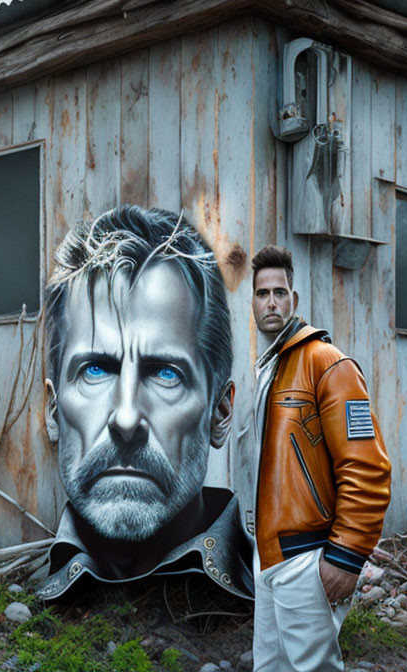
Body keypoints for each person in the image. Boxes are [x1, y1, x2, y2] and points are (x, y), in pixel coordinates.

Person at [38, 205, 252, 600]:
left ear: (220, 412)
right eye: (96, 370)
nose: (125, 417)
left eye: (166, 374)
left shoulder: (275, 587)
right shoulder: (26, 596)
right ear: (53, 411)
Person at [249, 246, 391, 672]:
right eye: (261, 294)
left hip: (307, 559)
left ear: (294, 299)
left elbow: (366, 466)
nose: (270, 302)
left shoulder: (326, 363)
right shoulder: (269, 370)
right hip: (269, 557)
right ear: (253, 303)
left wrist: (347, 556)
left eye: (279, 292)